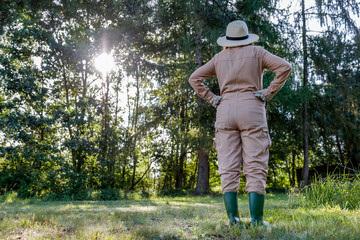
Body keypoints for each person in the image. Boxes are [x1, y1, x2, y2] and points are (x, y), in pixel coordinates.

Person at [188, 20, 291, 227]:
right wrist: (267, 92)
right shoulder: (258, 53)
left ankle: (233, 220)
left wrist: (211, 98)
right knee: (255, 165)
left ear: (227, 40)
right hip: (252, 108)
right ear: (247, 37)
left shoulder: (219, 58)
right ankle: (256, 221)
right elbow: (285, 67)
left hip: (224, 111)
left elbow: (194, 78)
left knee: (228, 167)